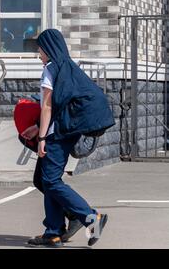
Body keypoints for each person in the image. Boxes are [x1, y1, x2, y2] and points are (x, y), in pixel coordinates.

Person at [22, 29, 114, 247]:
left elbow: (47, 106)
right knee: (42, 180)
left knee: (51, 181)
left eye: (40, 48)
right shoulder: (70, 68)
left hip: (56, 134)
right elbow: (62, 104)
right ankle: (53, 232)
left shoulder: (50, 69)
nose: (38, 53)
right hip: (67, 131)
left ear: (49, 49)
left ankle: (91, 218)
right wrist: (37, 128)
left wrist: (42, 136)